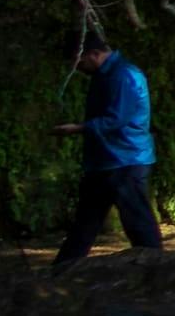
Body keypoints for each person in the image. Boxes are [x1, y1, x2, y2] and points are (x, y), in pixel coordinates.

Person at [58, 31, 164, 264]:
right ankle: (61, 270)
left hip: (127, 160)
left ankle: (158, 269)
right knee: (85, 224)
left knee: (138, 224)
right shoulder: (105, 75)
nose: (78, 68)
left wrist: (78, 128)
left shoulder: (124, 75)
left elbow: (117, 119)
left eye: (79, 62)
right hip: (104, 160)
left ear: (94, 54)